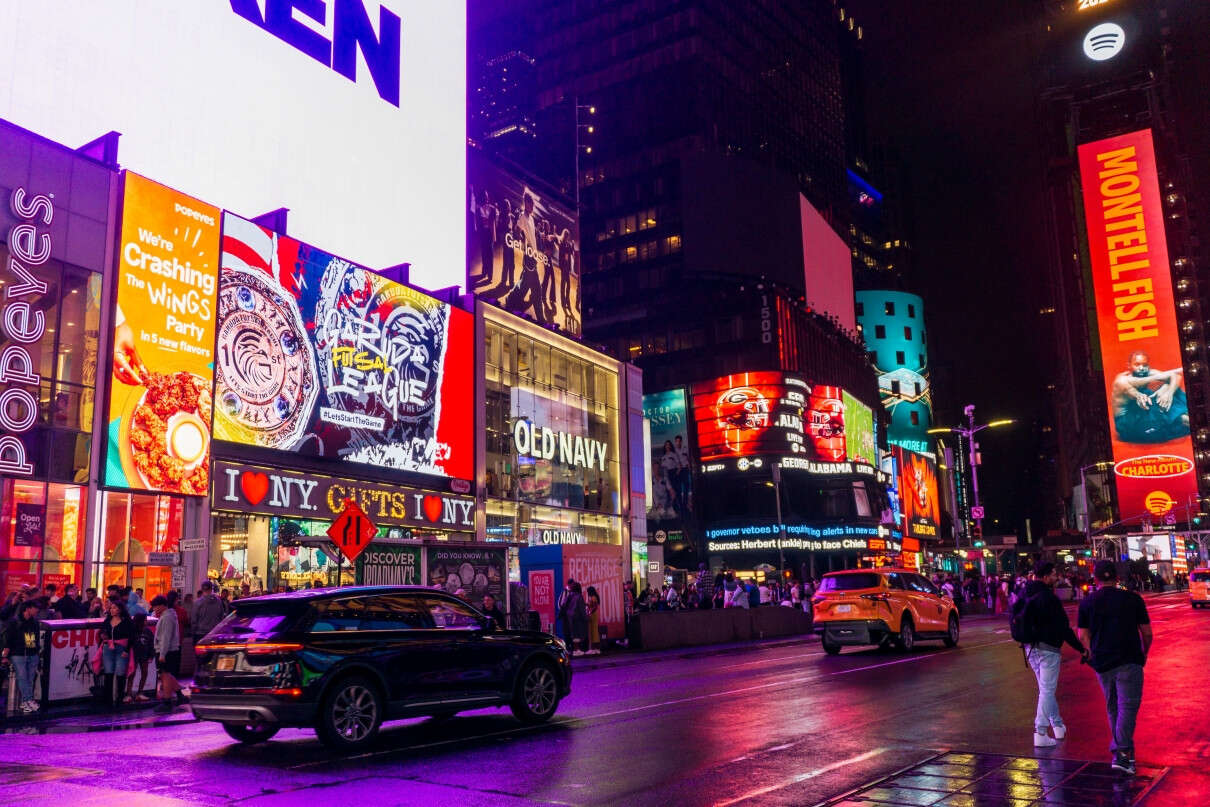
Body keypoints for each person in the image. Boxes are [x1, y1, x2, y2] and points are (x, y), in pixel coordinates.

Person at [1078, 560, 1153, 775]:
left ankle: (1126, 755)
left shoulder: (1088, 602)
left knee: (1113, 708)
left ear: (1096, 578)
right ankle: (1121, 753)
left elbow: (1083, 634)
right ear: (1117, 578)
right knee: (1128, 707)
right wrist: (1144, 652)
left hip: (1102, 662)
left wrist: (1090, 652)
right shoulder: (1133, 599)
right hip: (1129, 659)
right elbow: (1146, 632)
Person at [1018, 563, 1087, 747]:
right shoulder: (1049, 598)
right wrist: (1081, 648)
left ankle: (1057, 725)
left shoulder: (1024, 592)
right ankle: (1040, 732)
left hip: (1029, 647)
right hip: (1048, 648)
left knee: (1045, 690)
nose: (1057, 577)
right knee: (1047, 690)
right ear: (1046, 576)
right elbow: (1064, 628)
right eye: (1055, 574)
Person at [1111, 351, 1189, 444]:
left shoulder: (1148, 372)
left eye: (1144, 365)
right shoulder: (1122, 380)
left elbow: (1176, 377)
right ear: (1129, 366)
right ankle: (1181, 418)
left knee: (1169, 388)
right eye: (1137, 364)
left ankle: (1183, 415)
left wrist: (1168, 392)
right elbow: (1138, 391)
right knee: (1149, 397)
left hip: (1142, 415)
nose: (1141, 368)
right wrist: (1167, 377)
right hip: (1126, 425)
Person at [2, 599, 41, 713]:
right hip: (18, 654)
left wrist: (36, 652)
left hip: (31, 653)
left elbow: (35, 638)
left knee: (29, 679)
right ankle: (28, 700)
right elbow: (8, 640)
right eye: (35, 608)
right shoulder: (15, 622)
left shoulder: (34, 622)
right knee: (23, 677)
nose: (37, 610)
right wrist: (5, 656)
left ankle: (26, 702)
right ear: (28, 609)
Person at [98, 599, 133, 709]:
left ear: (120, 610)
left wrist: (126, 651)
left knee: (120, 673)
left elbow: (131, 636)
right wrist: (103, 635)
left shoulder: (127, 621)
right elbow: (102, 631)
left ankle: (119, 699)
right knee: (108, 673)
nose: (112, 610)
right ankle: (108, 700)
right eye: (111, 608)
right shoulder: (107, 620)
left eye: (115, 608)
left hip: (121, 648)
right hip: (108, 648)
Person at [150, 596, 183, 713]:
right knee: (166, 674)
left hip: (166, 651)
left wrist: (162, 654)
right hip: (168, 650)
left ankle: (167, 701)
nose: (154, 609)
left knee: (165, 675)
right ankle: (180, 695)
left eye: (156, 606)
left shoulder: (167, 617)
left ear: (163, 605)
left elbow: (166, 637)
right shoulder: (167, 616)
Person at [126, 612, 154, 702]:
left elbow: (151, 644)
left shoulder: (148, 631)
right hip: (134, 656)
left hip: (144, 655)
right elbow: (128, 643)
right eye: (145, 620)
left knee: (144, 673)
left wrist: (151, 655)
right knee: (131, 674)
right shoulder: (132, 631)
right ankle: (128, 694)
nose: (146, 621)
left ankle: (140, 693)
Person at [585, 586, 601, 656]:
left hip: (592, 615)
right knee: (595, 632)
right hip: (594, 615)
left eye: (588, 591)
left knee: (592, 632)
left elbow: (594, 607)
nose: (587, 593)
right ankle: (596, 649)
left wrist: (589, 613)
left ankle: (592, 649)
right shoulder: (594, 597)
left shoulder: (593, 597)